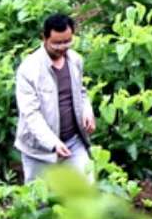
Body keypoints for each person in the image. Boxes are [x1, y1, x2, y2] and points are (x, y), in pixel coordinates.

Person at [14, 12, 96, 184]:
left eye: (67, 41)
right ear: (44, 38)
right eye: (57, 43)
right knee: (38, 202)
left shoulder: (75, 60)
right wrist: (53, 143)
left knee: (87, 190)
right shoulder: (29, 69)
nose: (63, 47)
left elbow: (80, 91)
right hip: (38, 149)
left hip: (73, 141)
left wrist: (87, 111)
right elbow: (31, 114)